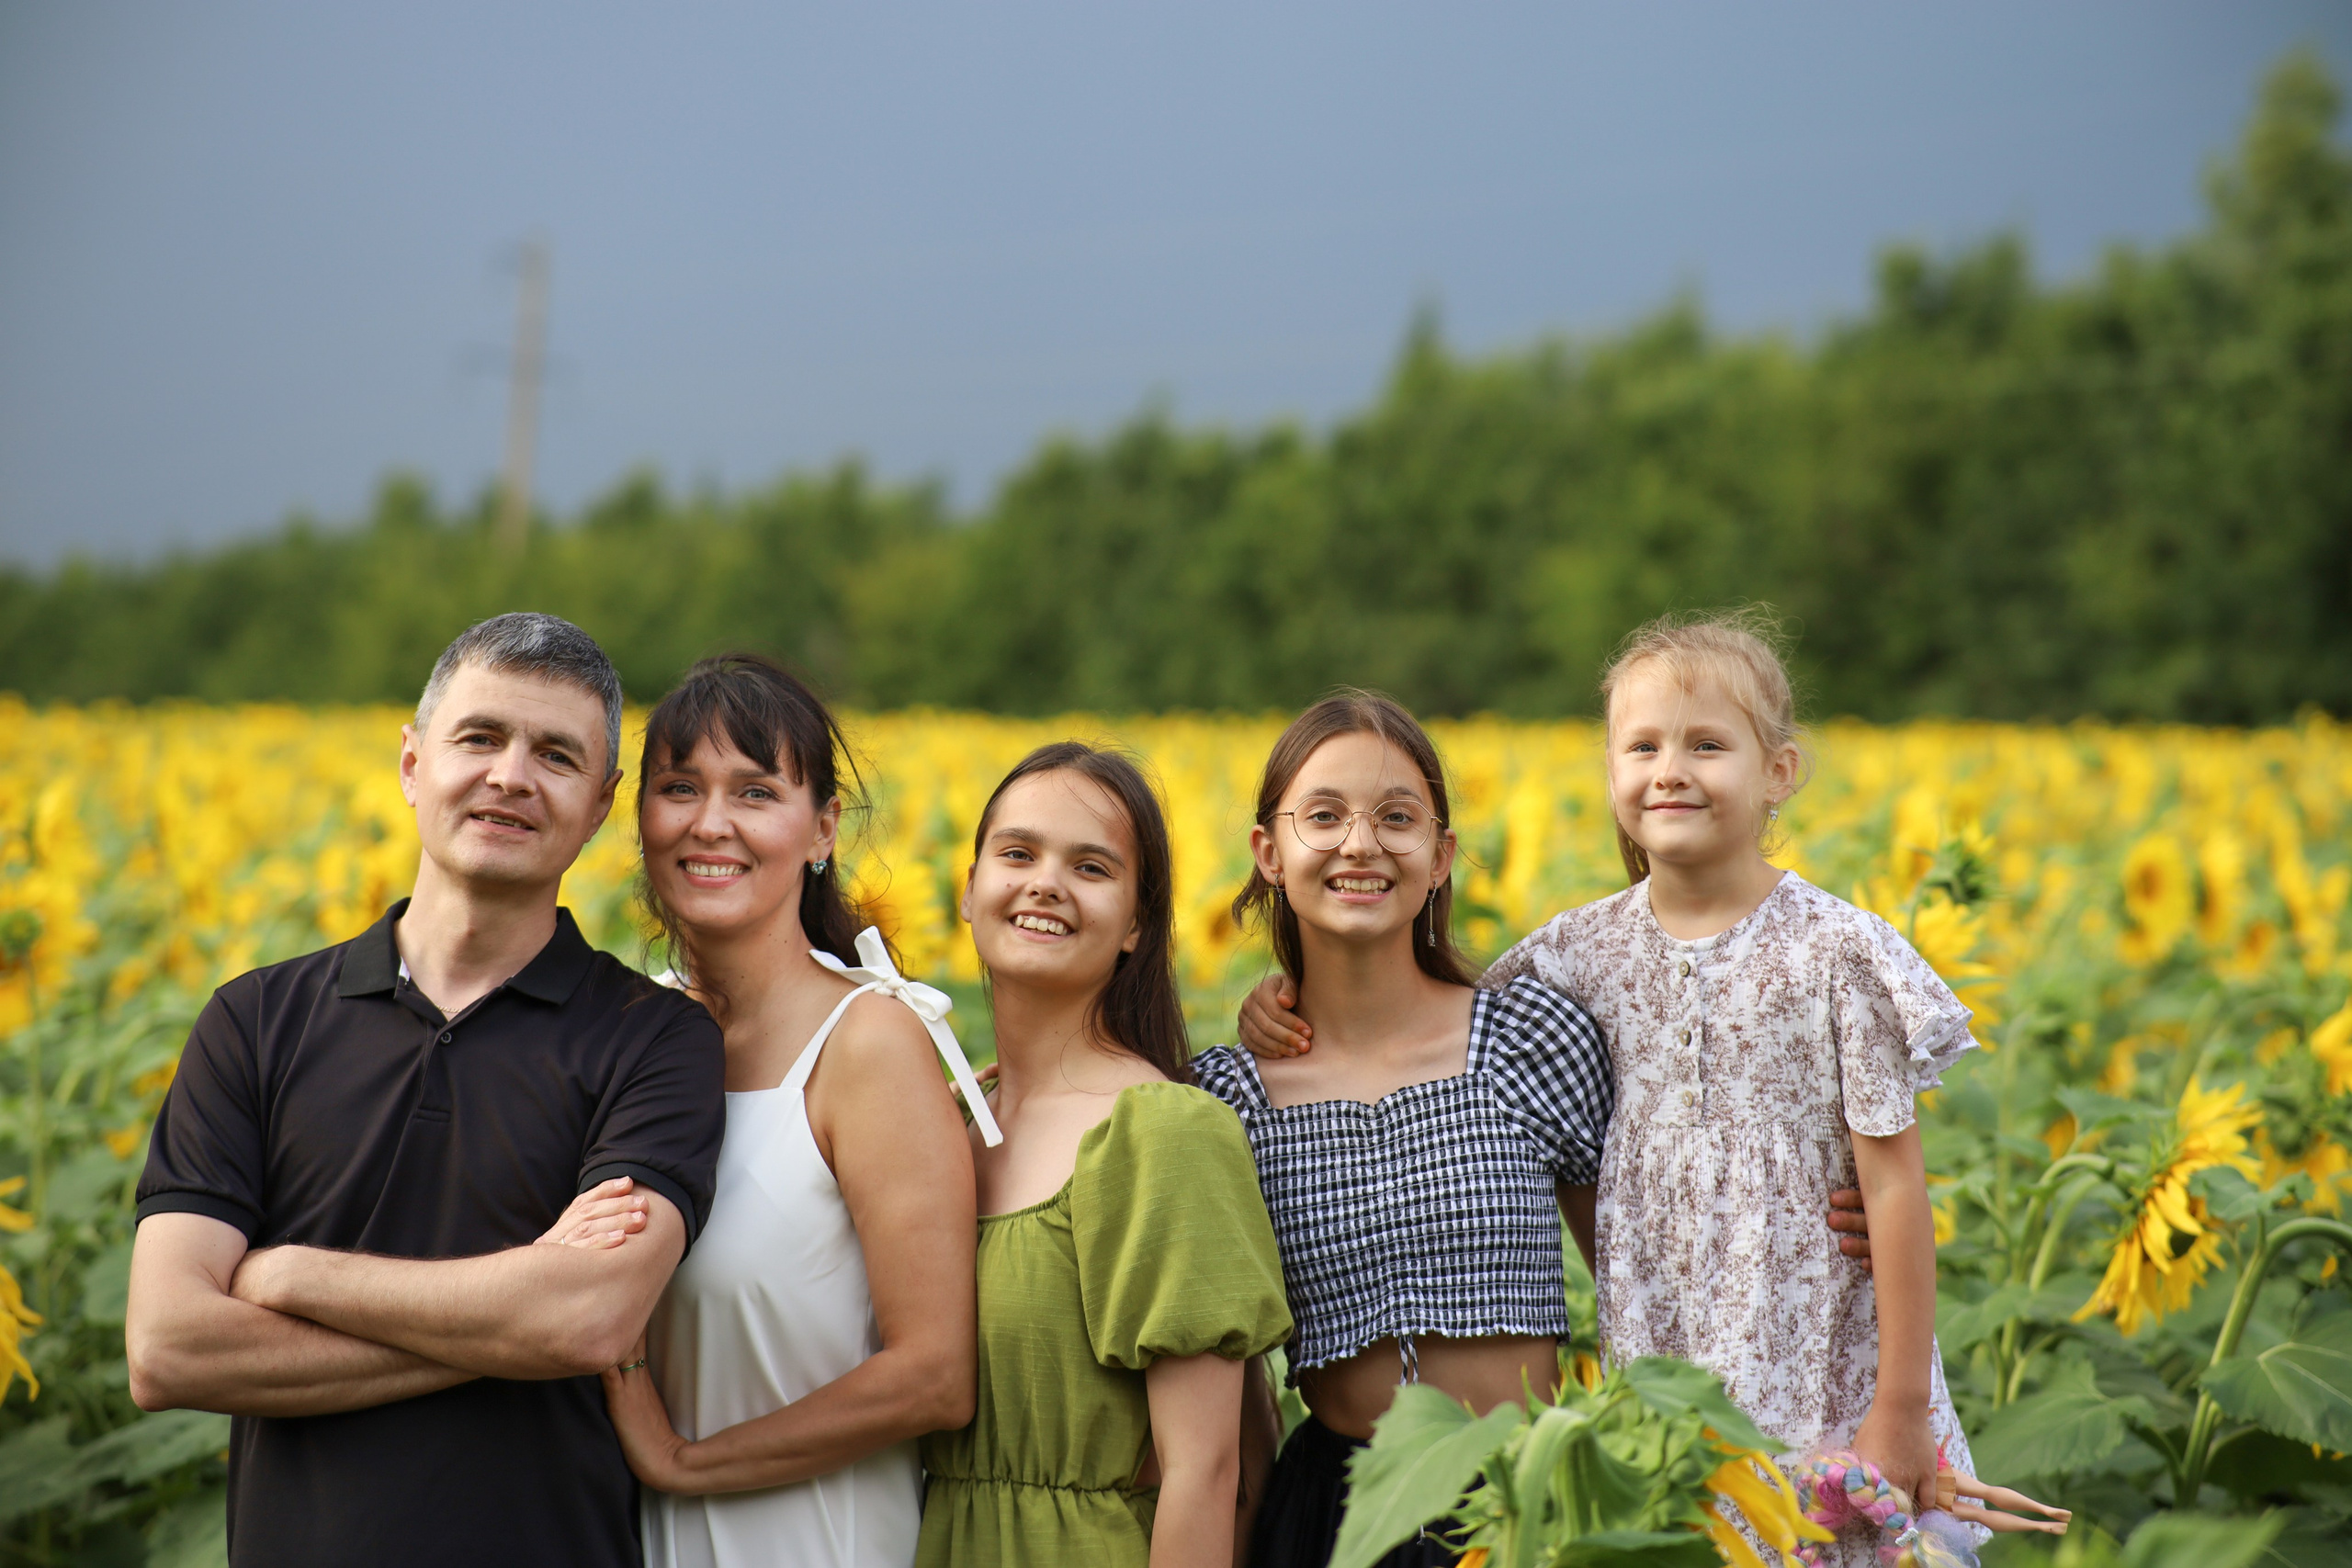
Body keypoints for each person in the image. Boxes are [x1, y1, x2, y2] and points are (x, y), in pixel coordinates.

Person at [1249, 615, 1968, 1564]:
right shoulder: (1570, 962)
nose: (1669, 770)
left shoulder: (1822, 956)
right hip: (1561, 1423)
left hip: (1768, 1374)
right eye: (1642, 746)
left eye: (1705, 744)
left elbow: (1891, 1184)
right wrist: (1274, 1000)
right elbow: (1402, 1021)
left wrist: (1901, 1405)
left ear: (1778, 773)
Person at [124, 612, 728, 1568]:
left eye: (556, 755)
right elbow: (168, 1348)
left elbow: (589, 1318)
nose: (511, 777)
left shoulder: (658, 1039)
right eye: (480, 737)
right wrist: (516, 1314)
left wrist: (290, 1276)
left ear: (603, 804)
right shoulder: (255, 1021)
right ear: (412, 764)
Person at [537, 653, 993, 1567]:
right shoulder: (625, 1034)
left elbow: (935, 1378)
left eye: (754, 793)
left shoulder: (867, 1044)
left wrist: (687, 1464)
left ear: (822, 828)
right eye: (679, 788)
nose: (711, 824)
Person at [1191, 693, 1613, 1568]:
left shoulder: (1528, 1038)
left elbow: (1643, 1276)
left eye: (1396, 817)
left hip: (1535, 1500)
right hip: (1342, 1518)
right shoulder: (1228, 1099)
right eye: (1324, 816)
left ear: (1440, 856)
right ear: (1269, 852)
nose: (1360, 843)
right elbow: (1225, 1386)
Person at [915, 742, 1294, 1568]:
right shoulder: (944, 1122)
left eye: (1090, 866)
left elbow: (1208, 1471)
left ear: (1134, 926)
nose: (1045, 882)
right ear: (968, 891)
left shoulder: (1159, 1132)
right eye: (1017, 853)